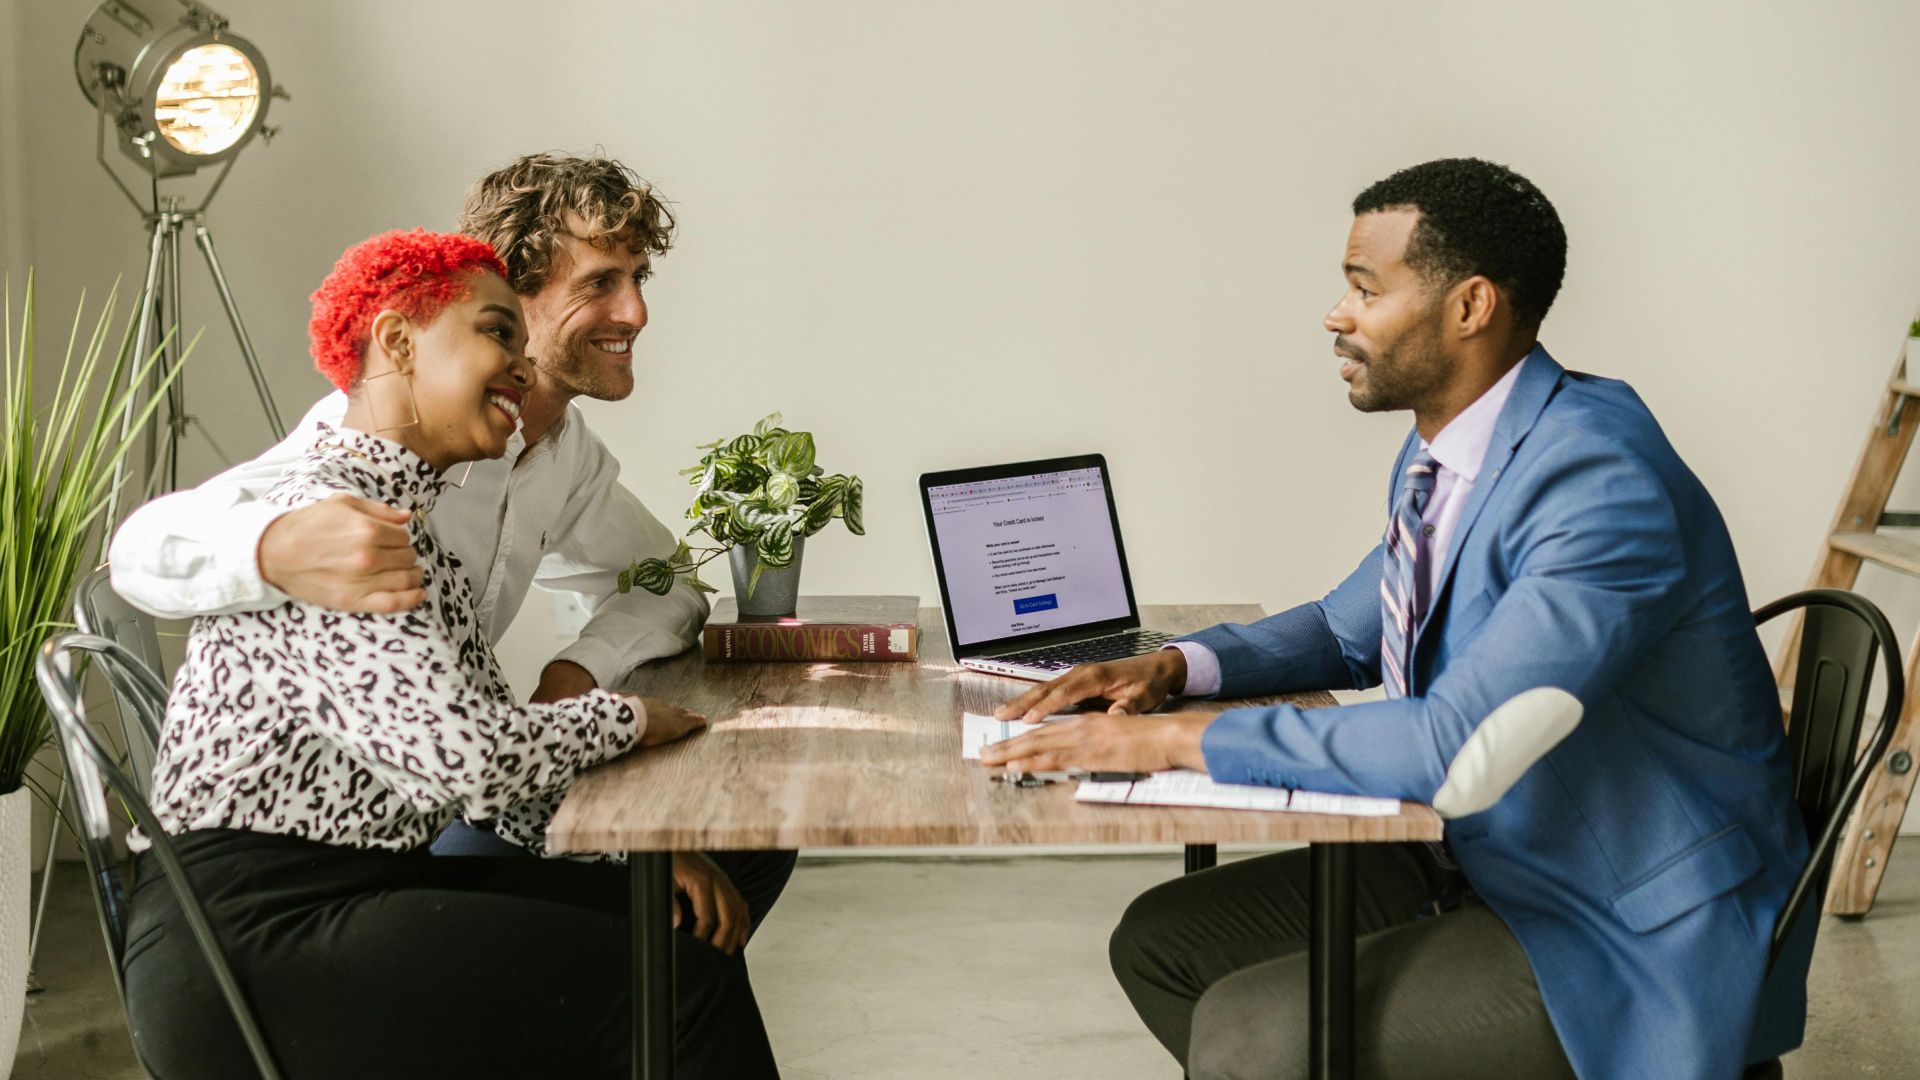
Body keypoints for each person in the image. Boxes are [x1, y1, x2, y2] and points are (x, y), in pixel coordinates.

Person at [983, 158, 1809, 1080]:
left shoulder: (1598, 482)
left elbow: (1459, 744)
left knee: (1254, 1038)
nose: (1337, 314)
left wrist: (1172, 744)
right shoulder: (1457, 450)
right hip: (1488, 854)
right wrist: (1172, 670)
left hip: (1614, 921)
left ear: (1469, 307)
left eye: (1364, 288)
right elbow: (1348, 629)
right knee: (1163, 944)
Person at [123, 229, 780, 1079]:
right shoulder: (337, 521)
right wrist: (625, 718)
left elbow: (471, 754)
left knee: (676, 936)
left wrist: (641, 853)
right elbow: (469, 762)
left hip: (355, 888)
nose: (520, 363)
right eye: (497, 332)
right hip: (254, 941)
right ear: (398, 342)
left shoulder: (407, 518)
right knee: (681, 990)